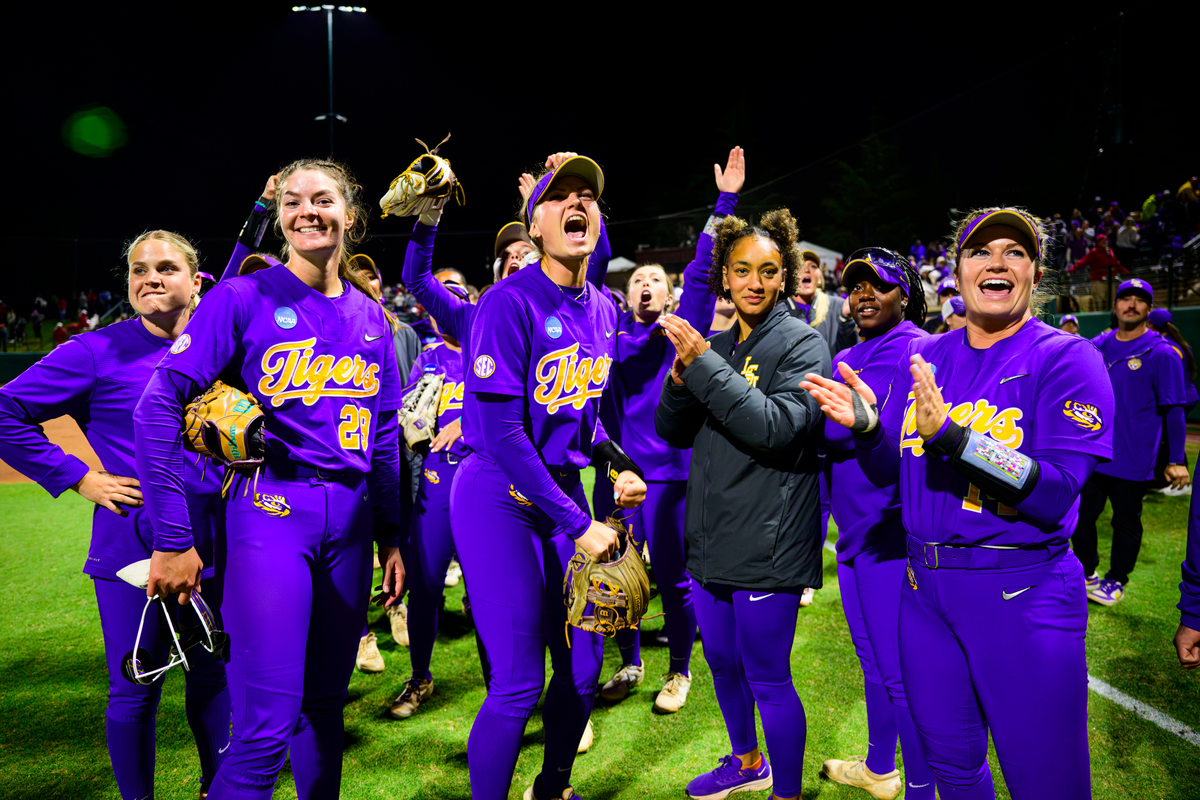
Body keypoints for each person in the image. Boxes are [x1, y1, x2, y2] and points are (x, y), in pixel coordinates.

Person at [804, 207, 1114, 798]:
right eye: (980, 251)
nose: (996, 262)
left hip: (1023, 593)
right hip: (923, 596)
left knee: (1046, 783)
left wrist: (956, 438)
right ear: (961, 269)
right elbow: (893, 474)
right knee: (951, 773)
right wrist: (871, 428)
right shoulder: (930, 356)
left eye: (1014, 252)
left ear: (1035, 271)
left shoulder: (1067, 359)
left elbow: (1053, 494)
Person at [134, 158, 407, 799]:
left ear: (351, 215)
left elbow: (387, 438)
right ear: (279, 217)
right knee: (265, 728)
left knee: (324, 712)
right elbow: (157, 406)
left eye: (322, 200)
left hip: (352, 521)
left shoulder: (373, 318)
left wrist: (392, 534)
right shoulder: (241, 297)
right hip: (270, 513)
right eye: (292, 202)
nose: (307, 211)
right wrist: (173, 539)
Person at [0, 230, 229, 799]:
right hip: (135, 545)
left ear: (196, 280)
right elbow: (6, 410)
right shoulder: (94, 351)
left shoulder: (229, 344)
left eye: (166, 268)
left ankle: (219, 789)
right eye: (139, 270)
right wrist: (77, 476)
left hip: (224, 536)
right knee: (136, 686)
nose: (151, 278)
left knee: (215, 674)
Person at [450, 153, 646, 800]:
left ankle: (552, 787)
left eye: (589, 195)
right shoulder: (506, 303)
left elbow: (585, 419)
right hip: (495, 496)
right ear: (534, 225)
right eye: (560, 197)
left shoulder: (604, 308)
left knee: (585, 669)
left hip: (558, 495)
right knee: (516, 682)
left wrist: (619, 465)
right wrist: (578, 522)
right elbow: (505, 437)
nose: (577, 204)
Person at [656, 208, 829, 800]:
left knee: (769, 678)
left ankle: (787, 793)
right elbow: (671, 431)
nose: (755, 282)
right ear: (724, 278)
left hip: (768, 545)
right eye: (743, 270)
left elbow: (777, 428)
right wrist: (681, 379)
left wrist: (703, 364)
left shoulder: (803, 343)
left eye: (769, 271)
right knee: (724, 666)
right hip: (709, 542)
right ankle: (748, 761)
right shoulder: (719, 343)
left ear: (783, 277)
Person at [594, 147, 743, 714]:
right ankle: (631, 661)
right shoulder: (608, 333)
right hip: (616, 473)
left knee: (674, 578)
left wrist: (724, 200)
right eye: (638, 282)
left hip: (670, 477)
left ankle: (679, 670)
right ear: (627, 294)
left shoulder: (682, 326)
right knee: (616, 573)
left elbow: (705, 267)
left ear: (669, 291)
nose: (647, 287)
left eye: (656, 279)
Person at [816, 247, 935, 800]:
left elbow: (900, 449)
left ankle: (921, 786)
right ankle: (880, 767)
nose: (863, 293)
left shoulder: (918, 349)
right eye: (855, 284)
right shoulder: (855, 351)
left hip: (893, 536)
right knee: (874, 664)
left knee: (901, 675)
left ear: (905, 295)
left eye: (878, 285)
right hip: (857, 535)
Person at [1072, 279, 1191, 605]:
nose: (1132, 304)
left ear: (1148, 309)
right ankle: (1086, 572)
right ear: (1115, 306)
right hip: (1095, 454)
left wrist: (1177, 459)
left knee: (1125, 521)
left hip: (1134, 458)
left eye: (1140, 300)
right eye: (1126, 298)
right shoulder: (1097, 344)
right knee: (1080, 515)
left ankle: (1116, 580)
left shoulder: (1162, 352)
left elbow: (1175, 411)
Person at [785, 249, 857, 358]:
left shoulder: (837, 306)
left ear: (819, 278)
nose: (806, 270)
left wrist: (846, 321)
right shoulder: (780, 309)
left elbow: (850, 354)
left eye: (813, 266)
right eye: (799, 266)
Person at [1069, 232, 1128, 311]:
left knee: (1111, 300)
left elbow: (1115, 263)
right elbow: (1083, 261)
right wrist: (1073, 268)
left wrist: (1123, 270)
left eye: (1105, 240)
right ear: (1097, 242)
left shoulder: (1109, 250)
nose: (1104, 242)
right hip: (1098, 280)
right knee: (1099, 302)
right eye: (1102, 240)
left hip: (1110, 280)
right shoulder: (1094, 251)